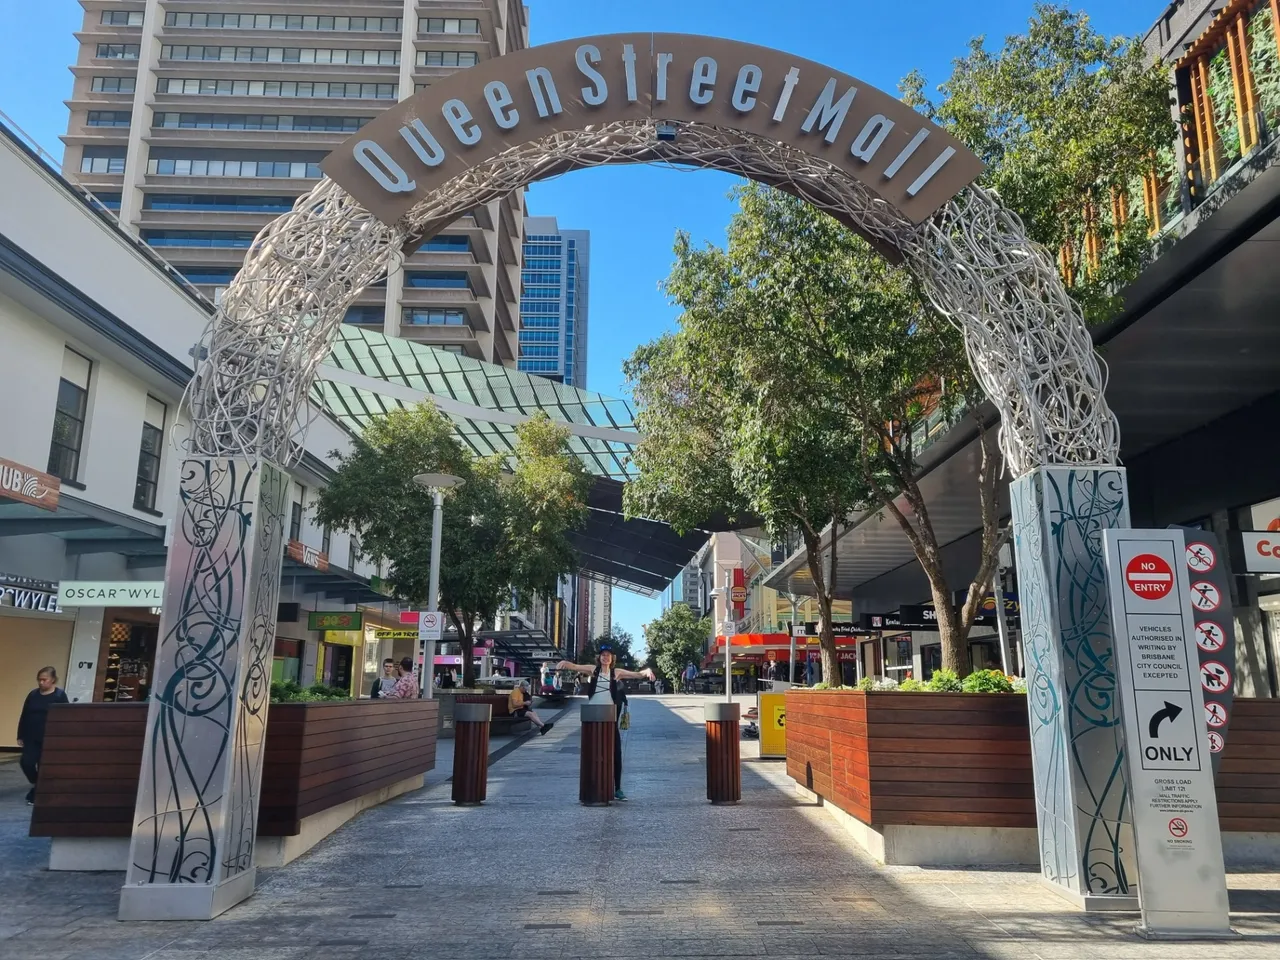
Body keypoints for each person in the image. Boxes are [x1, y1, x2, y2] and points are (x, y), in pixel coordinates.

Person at [557, 645, 654, 801]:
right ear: (599, 657)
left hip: (610, 718)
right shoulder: (593, 670)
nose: (605, 657)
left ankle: (618, 788)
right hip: (592, 718)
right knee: (592, 752)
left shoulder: (617, 673)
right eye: (603, 655)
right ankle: (592, 785)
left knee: (615, 752)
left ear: (612, 658)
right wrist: (564, 662)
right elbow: (575, 666)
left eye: (608, 655)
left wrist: (647, 671)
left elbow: (636, 674)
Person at [16, 666, 69, 805]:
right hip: (31, 736)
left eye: (44, 680)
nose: (41, 682)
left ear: (52, 680)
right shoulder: (33, 694)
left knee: (44, 765)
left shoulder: (59, 695)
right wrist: (20, 735)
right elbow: (24, 715)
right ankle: (37, 784)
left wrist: (63, 737)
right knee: (26, 762)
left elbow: (66, 717)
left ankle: (37, 792)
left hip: (50, 737)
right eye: (39, 680)